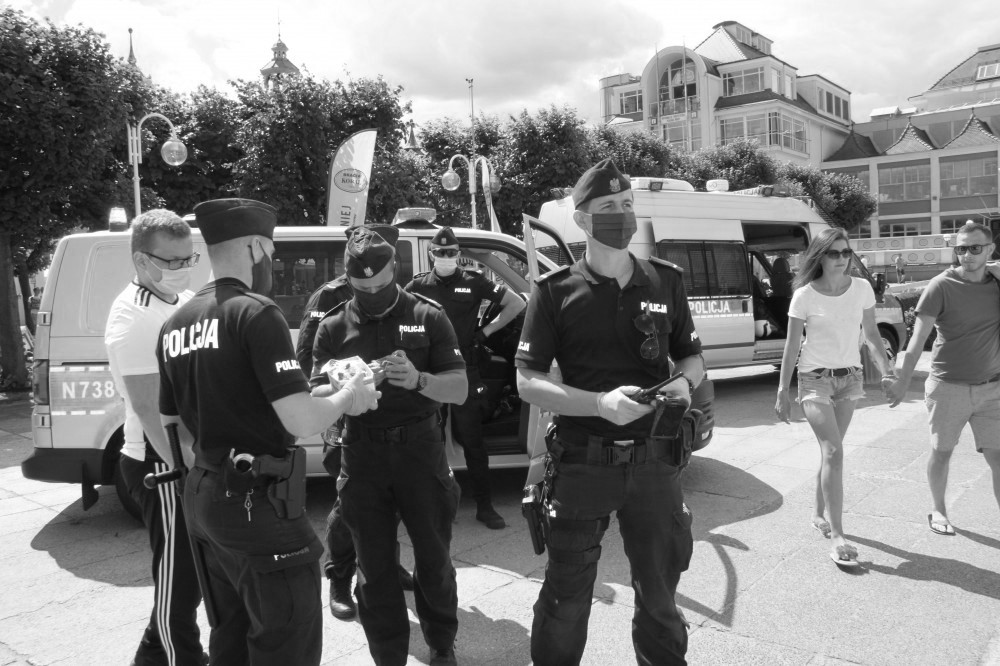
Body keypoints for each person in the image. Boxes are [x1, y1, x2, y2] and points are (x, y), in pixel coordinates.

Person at [157, 198, 379, 666]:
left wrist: (323, 390)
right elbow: (300, 421)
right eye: (271, 253)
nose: (272, 264)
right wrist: (349, 396)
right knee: (286, 640)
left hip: (204, 496)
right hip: (257, 504)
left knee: (231, 635)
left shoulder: (176, 322)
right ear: (256, 247)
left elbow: (173, 424)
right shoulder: (256, 312)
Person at [515, 159, 705, 665]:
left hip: (655, 462)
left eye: (626, 204)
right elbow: (527, 381)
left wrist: (684, 383)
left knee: (661, 596)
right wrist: (599, 403)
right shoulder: (555, 291)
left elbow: (692, 357)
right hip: (582, 463)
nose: (621, 214)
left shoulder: (665, 281)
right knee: (566, 599)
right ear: (582, 219)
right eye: (608, 206)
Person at [310, 226, 467, 666]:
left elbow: (459, 389)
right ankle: (388, 655)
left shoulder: (428, 314)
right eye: (362, 288)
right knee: (374, 569)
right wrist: (345, 387)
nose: (372, 294)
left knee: (434, 561)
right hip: (363, 454)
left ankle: (441, 645)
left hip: (421, 452)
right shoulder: (333, 325)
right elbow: (313, 394)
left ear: (394, 270)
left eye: (380, 286)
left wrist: (419, 380)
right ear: (348, 279)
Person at [295, 224, 414, 622]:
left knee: (391, 502)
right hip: (346, 422)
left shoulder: (401, 295)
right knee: (348, 507)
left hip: (395, 422)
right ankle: (339, 577)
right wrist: (348, 379)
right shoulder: (330, 297)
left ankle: (385, 563)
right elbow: (308, 361)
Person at [104, 209, 206, 666]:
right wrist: (187, 472)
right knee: (178, 580)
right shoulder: (134, 316)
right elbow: (148, 410)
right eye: (172, 261)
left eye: (188, 259)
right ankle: (179, 658)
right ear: (142, 260)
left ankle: (153, 654)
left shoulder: (182, 299)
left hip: (185, 453)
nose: (183, 269)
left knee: (194, 575)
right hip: (159, 461)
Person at [775, 227, 895, 568]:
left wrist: (887, 373)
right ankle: (839, 536)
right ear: (820, 256)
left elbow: (871, 334)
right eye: (834, 253)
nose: (842, 259)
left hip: (850, 379)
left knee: (833, 452)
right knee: (833, 451)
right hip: (814, 379)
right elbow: (791, 346)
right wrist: (783, 390)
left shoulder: (861, 288)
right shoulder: (804, 295)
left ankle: (817, 513)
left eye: (846, 252)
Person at [405, 226, 526, 530]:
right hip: (430, 371)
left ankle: (485, 506)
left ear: (458, 254)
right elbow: (399, 315)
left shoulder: (474, 281)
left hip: (464, 370)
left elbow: (517, 303)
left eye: (450, 252)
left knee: (473, 441)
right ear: (432, 254)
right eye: (440, 252)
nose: (445, 256)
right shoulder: (417, 285)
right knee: (428, 441)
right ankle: (431, 506)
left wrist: (485, 332)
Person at [887, 221, 1000, 535]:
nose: (967, 255)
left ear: (990, 249)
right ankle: (938, 509)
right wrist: (902, 380)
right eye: (961, 248)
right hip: (948, 386)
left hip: (992, 388)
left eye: (975, 248)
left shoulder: (996, 282)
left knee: (998, 457)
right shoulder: (941, 285)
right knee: (942, 452)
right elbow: (917, 338)